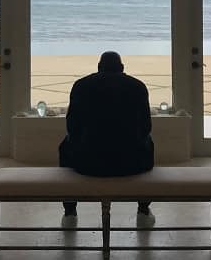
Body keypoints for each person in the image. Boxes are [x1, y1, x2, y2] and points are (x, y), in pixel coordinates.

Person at [58, 50, 155, 227]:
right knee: (149, 143)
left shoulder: (81, 86)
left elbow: (72, 126)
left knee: (64, 145)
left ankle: (70, 211)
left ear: (98, 67)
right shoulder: (138, 87)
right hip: (131, 163)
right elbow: (146, 127)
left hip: (87, 163)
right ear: (122, 68)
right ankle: (143, 208)